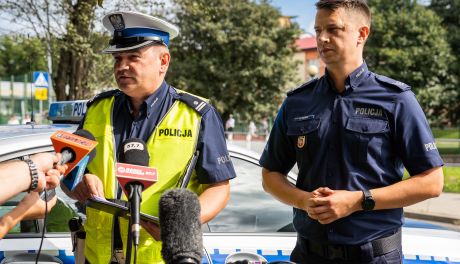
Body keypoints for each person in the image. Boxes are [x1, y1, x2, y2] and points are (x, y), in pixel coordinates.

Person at [259, 1, 444, 263]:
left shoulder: (396, 99)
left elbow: (431, 182)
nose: (322, 38)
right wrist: (303, 201)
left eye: (333, 29)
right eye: (318, 29)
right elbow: (270, 175)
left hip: (374, 256)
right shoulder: (297, 102)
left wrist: (359, 201)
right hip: (308, 254)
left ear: (362, 34)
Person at [67, 11, 236, 264]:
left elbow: (219, 188)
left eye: (133, 57)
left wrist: (181, 225)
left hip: (160, 257)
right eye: (117, 58)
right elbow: (67, 173)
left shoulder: (197, 115)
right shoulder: (96, 109)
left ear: (163, 61)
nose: (121, 66)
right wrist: (77, 181)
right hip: (97, 256)